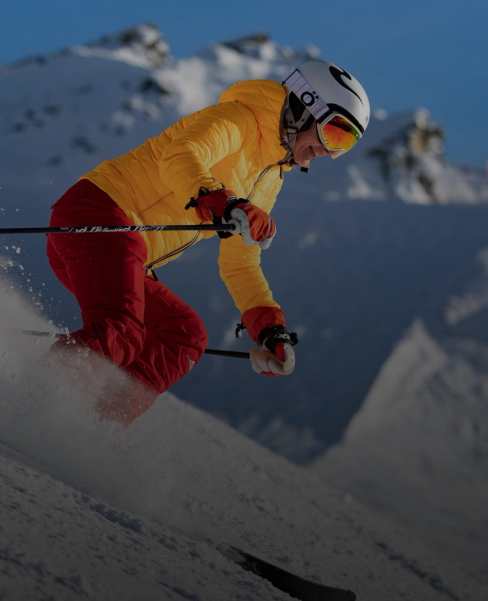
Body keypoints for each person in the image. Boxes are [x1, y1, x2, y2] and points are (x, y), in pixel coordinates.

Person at [43, 60, 372, 423]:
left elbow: (240, 262)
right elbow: (180, 155)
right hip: (100, 213)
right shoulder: (239, 119)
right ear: (304, 106)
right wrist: (222, 201)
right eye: (333, 133)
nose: (330, 151)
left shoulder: (270, 176)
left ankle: (93, 424)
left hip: (125, 252)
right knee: (121, 332)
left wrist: (267, 327)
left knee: (183, 334)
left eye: (346, 144)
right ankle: (34, 398)